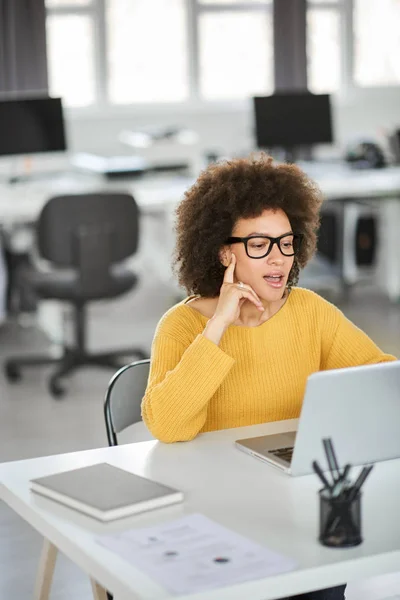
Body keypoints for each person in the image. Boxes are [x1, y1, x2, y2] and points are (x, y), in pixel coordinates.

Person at [141, 154, 396, 600]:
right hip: (217, 510)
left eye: (285, 242)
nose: (278, 259)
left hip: (296, 501)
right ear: (225, 252)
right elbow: (167, 425)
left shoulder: (309, 310)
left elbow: (379, 378)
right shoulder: (181, 326)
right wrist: (218, 326)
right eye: (259, 244)